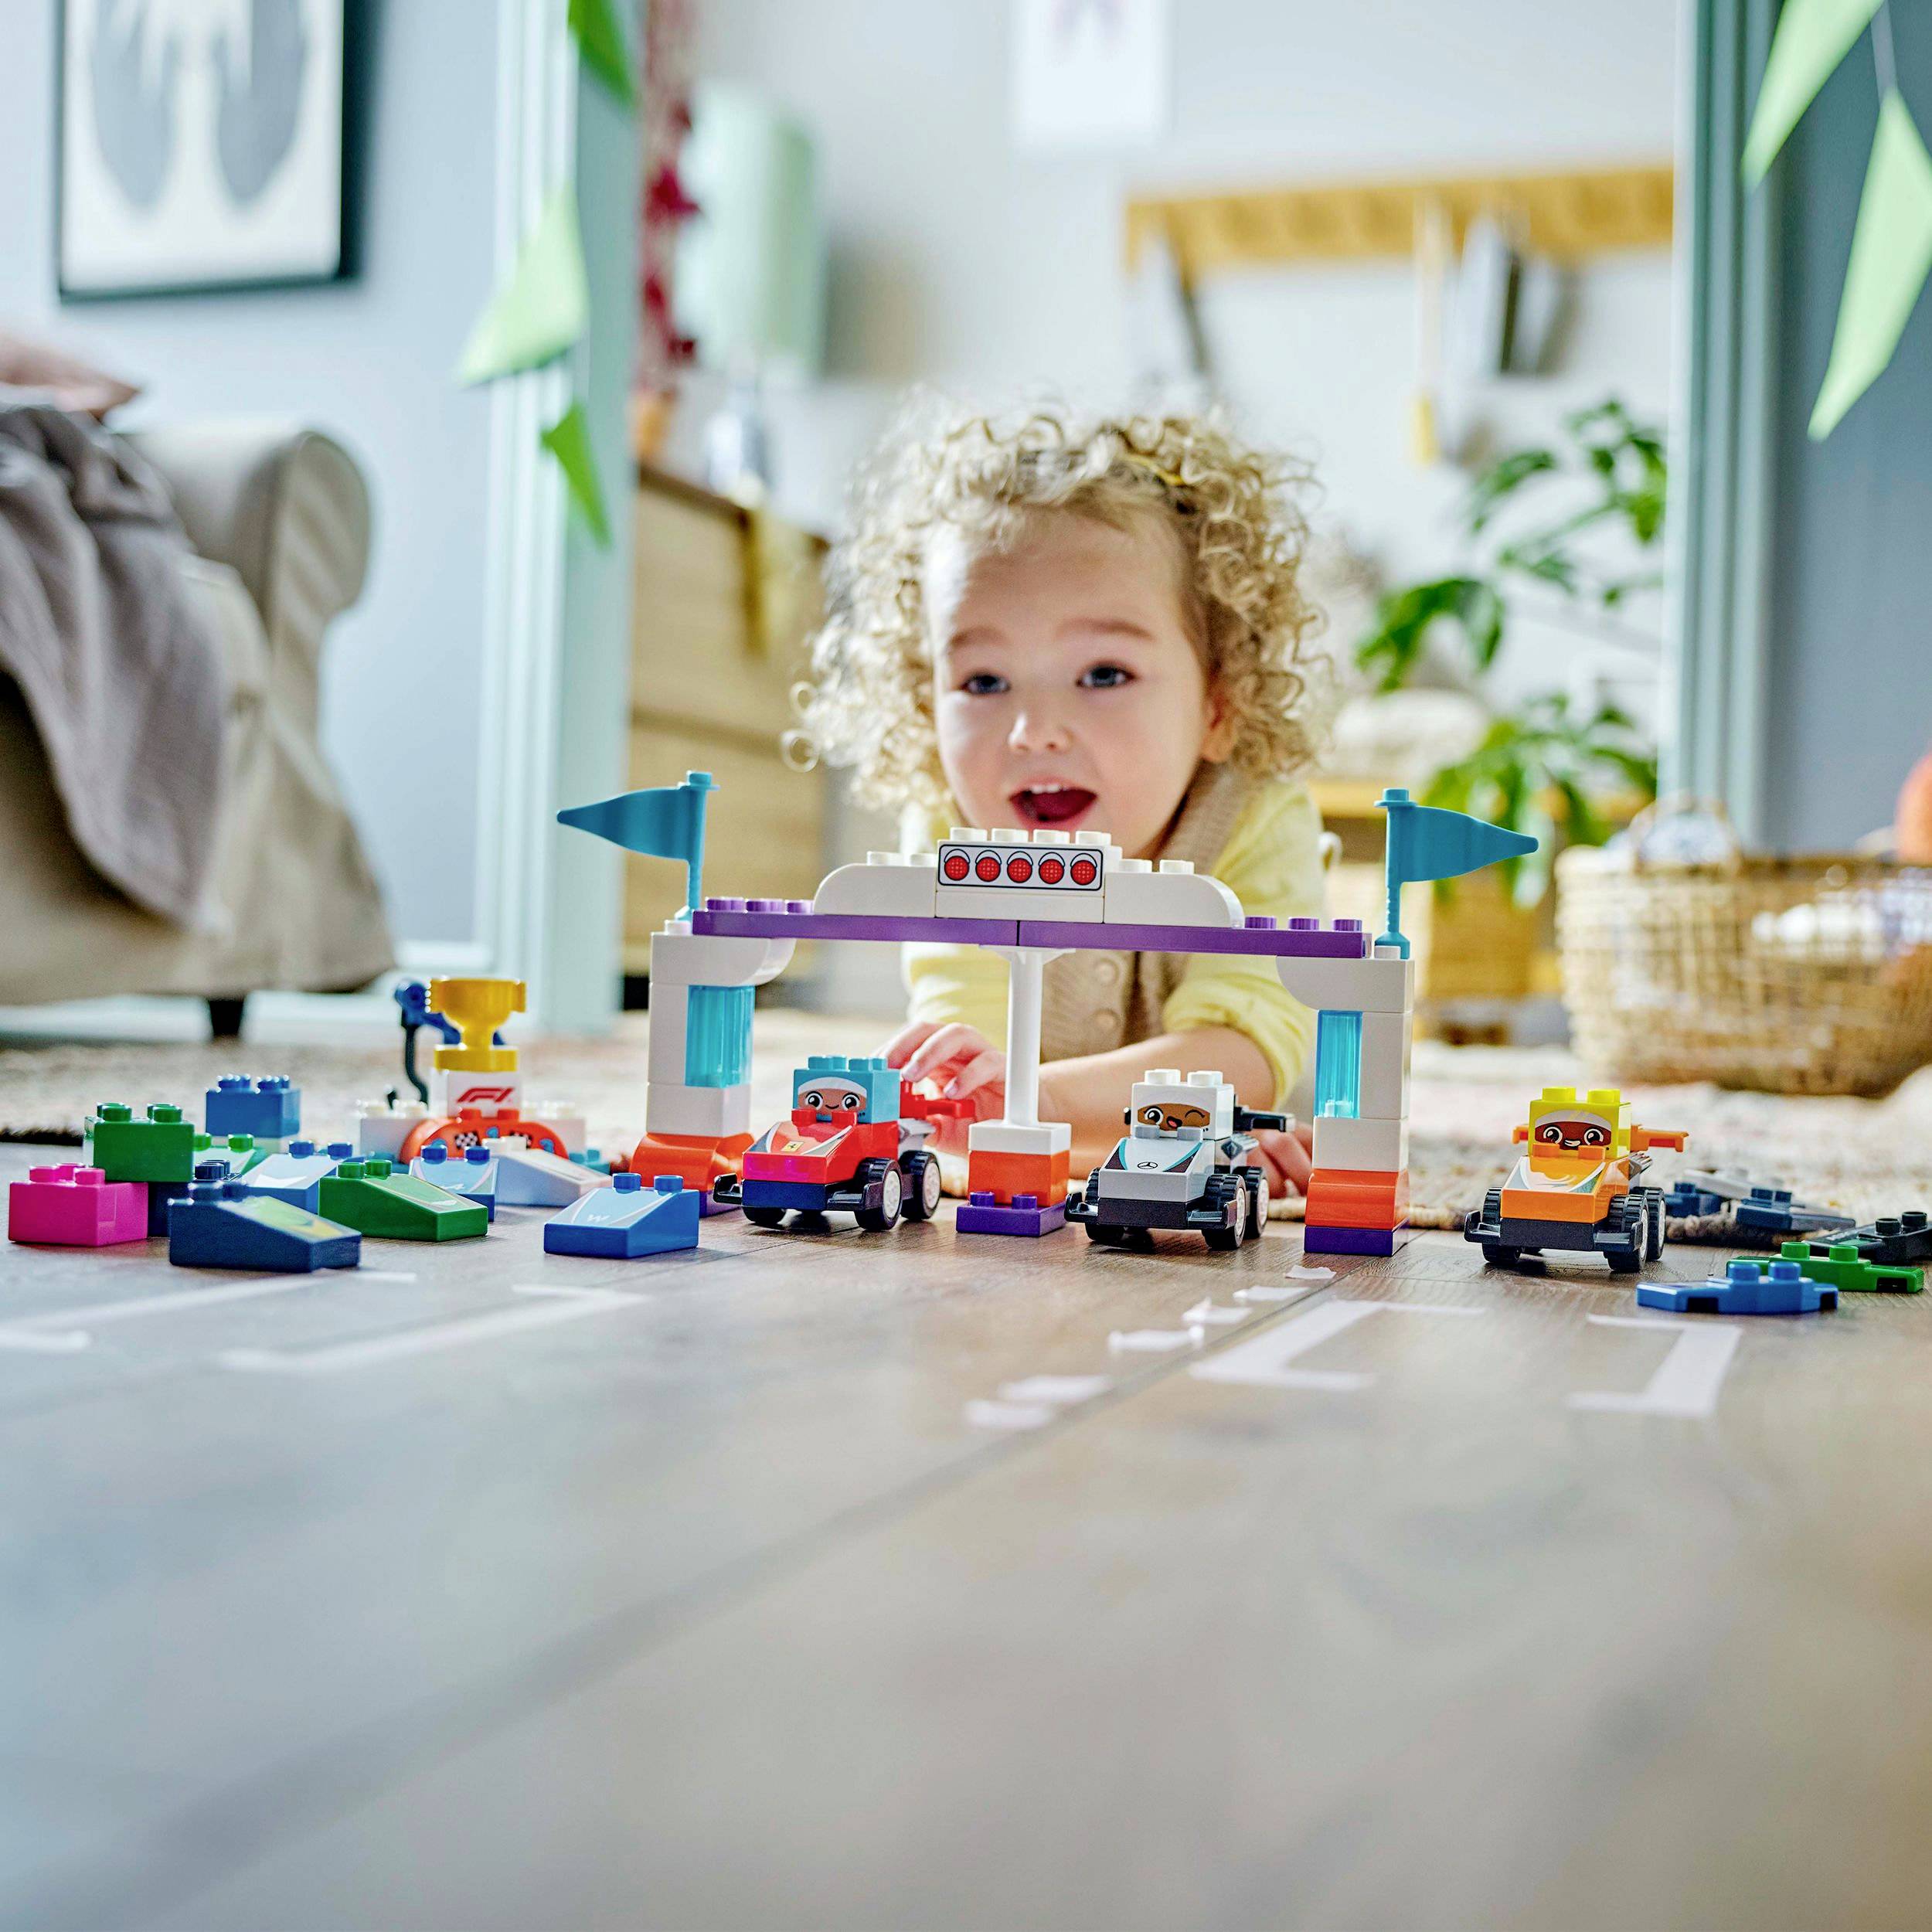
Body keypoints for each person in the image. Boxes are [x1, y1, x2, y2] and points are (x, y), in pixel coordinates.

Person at [794, 400, 1328, 1199]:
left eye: (1102, 674)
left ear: (1218, 705)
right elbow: (966, 1080)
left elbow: (1239, 1057)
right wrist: (1018, 1111)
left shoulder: (1255, 817)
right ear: (923, 699)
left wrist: (1036, 1104)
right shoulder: (951, 835)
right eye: (983, 681)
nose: (1034, 731)